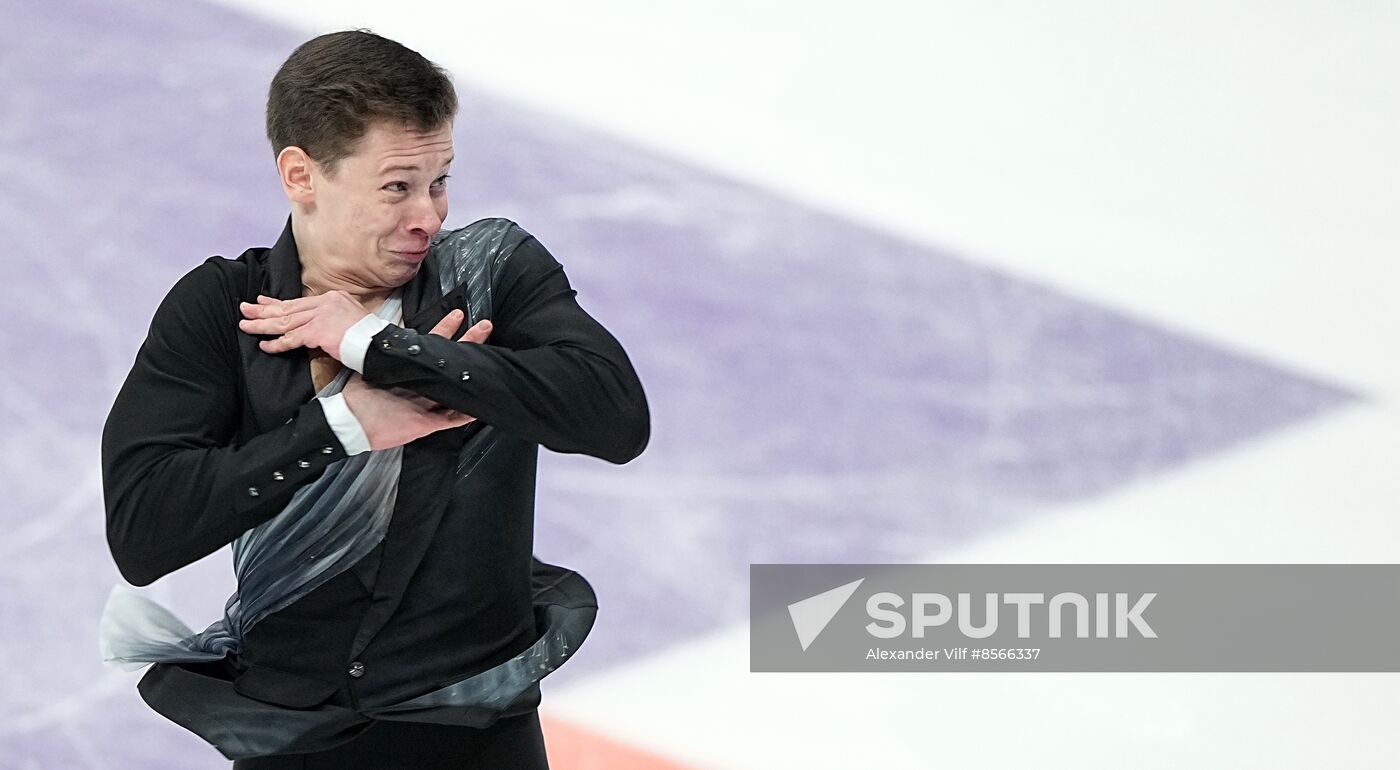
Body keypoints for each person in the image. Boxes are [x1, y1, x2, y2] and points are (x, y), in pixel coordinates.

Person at [100, 29, 649, 768]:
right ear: (302, 174)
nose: (429, 215)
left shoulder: (492, 273)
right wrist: (341, 425)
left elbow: (615, 418)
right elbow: (144, 532)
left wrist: (376, 345)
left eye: (441, 179)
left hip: (478, 730)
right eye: (397, 186)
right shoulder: (224, 307)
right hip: (301, 731)